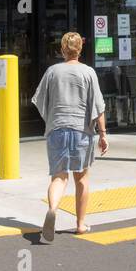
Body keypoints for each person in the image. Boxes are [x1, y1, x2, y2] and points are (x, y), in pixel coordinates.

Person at [31, 31, 107, 241]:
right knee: (81, 178)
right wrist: (103, 133)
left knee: (59, 177)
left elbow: (39, 100)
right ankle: (81, 224)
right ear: (79, 50)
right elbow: (98, 106)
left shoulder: (52, 71)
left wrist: (52, 118)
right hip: (81, 131)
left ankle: (53, 209)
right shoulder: (89, 72)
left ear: (62, 49)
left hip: (57, 129)